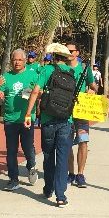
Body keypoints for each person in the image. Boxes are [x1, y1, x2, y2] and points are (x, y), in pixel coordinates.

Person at [23, 43, 76, 207]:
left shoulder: (46, 70)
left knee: (48, 156)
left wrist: (28, 114)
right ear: (65, 58)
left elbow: (35, 91)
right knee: (62, 158)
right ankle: (61, 196)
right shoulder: (72, 73)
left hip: (48, 120)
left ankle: (48, 189)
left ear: (53, 57)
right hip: (66, 121)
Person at [0, 49, 38, 191]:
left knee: (27, 147)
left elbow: (40, 92)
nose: (17, 62)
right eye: (14, 60)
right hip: (10, 119)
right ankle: (13, 179)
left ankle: (31, 166)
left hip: (26, 118)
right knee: (11, 150)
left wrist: (35, 92)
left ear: (25, 61)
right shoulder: (6, 77)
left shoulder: (32, 75)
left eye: (19, 60)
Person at [67, 43, 97, 188]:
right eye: (66, 50)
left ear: (77, 53)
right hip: (65, 112)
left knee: (83, 141)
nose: (68, 53)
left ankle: (80, 174)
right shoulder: (60, 68)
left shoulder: (85, 69)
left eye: (71, 50)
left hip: (82, 111)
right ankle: (70, 173)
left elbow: (93, 86)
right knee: (66, 144)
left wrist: (92, 90)